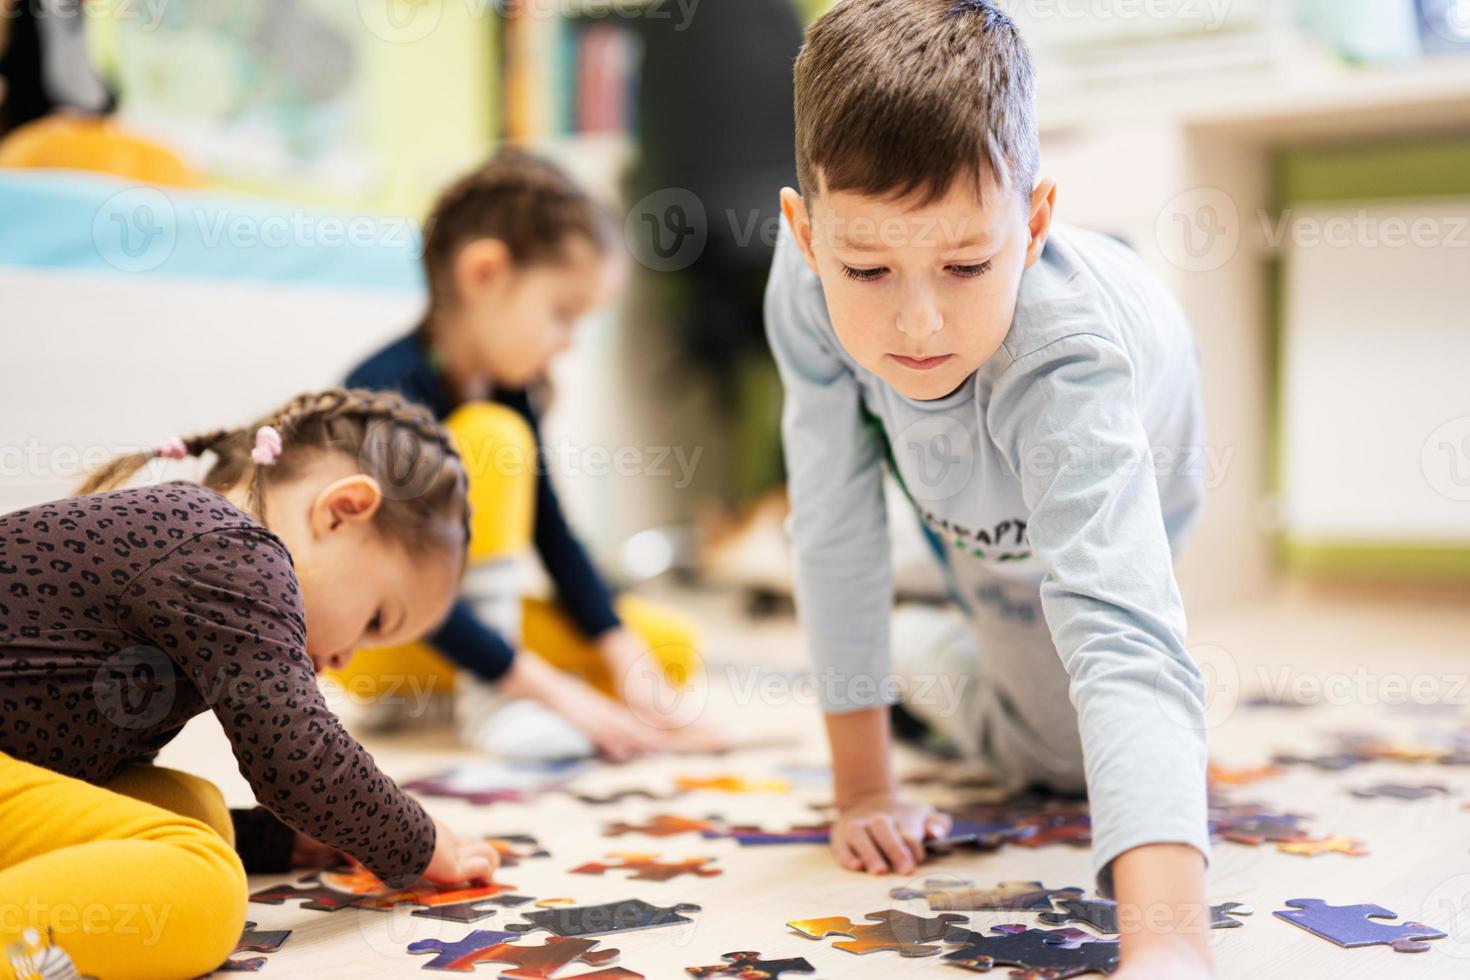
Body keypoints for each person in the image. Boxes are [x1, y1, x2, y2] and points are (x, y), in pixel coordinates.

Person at [765, 2, 1214, 976]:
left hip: (1097, 453)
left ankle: (937, 635)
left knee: (1064, 754)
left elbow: (1122, 626)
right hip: (957, 494)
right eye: (867, 266)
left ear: (1038, 219)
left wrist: (1170, 949)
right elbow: (833, 527)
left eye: (967, 262)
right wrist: (864, 791)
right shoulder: (801, 291)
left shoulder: (1069, 363)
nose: (918, 320)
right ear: (806, 233)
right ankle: (943, 617)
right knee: (970, 554)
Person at [0, 389, 500, 980]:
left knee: (199, 810)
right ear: (341, 511)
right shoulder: (235, 551)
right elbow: (298, 759)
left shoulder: (202, 537)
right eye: (374, 621)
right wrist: (418, 841)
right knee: (202, 889)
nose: (343, 657)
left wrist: (278, 842)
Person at [336, 148, 718, 761]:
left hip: (465, 632)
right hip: (381, 629)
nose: (567, 343)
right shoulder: (384, 390)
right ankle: (494, 702)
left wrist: (621, 651)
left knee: (666, 647)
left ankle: (442, 695)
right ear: (484, 273)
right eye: (562, 314)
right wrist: (551, 691)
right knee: (490, 436)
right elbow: (396, 576)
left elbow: (554, 535)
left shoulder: (511, 390)